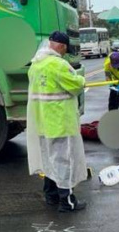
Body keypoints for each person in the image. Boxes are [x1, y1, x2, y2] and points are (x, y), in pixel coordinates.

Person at [27, 31, 88, 212]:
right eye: (65, 49)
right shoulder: (59, 65)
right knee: (64, 161)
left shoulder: (35, 64)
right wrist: (82, 79)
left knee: (49, 161)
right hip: (60, 122)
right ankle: (67, 202)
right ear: (61, 46)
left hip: (42, 122)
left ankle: (51, 196)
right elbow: (75, 85)